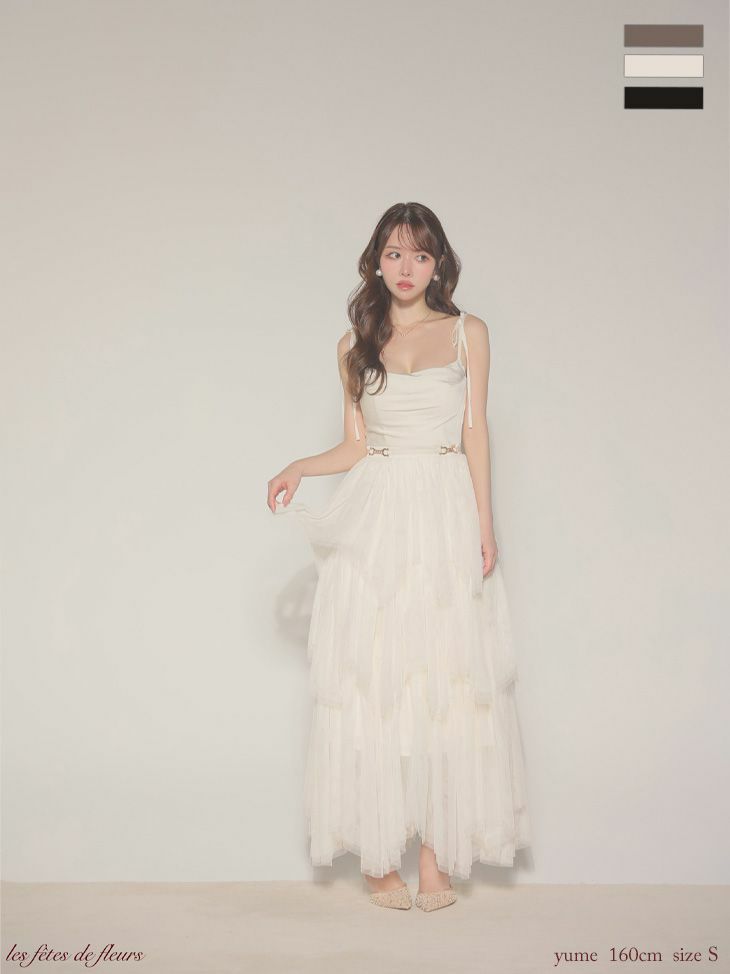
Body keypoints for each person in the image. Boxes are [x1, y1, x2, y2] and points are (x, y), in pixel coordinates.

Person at [267, 201, 531, 912]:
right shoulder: (353, 345)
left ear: (438, 263)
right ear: (375, 262)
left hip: (444, 508)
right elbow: (357, 445)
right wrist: (299, 466)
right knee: (376, 674)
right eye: (393, 253)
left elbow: (475, 433)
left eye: (420, 253)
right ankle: (380, 855)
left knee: (446, 672)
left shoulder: (469, 333)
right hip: (378, 514)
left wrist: (485, 522)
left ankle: (437, 855)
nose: (406, 267)